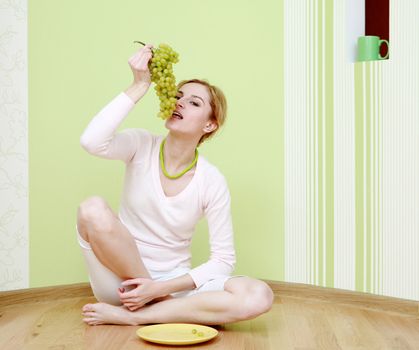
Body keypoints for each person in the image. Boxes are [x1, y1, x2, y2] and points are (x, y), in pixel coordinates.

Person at [77, 44, 274, 326]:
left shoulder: (211, 180)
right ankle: (164, 311)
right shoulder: (140, 144)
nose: (180, 102)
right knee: (91, 208)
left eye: (194, 103)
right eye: (178, 96)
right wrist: (138, 85)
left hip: (170, 288)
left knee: (258, 295)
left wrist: (159, 289)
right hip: (123, 285)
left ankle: (139, 316)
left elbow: (223, 260)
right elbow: (91, 142)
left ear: (210, 125)